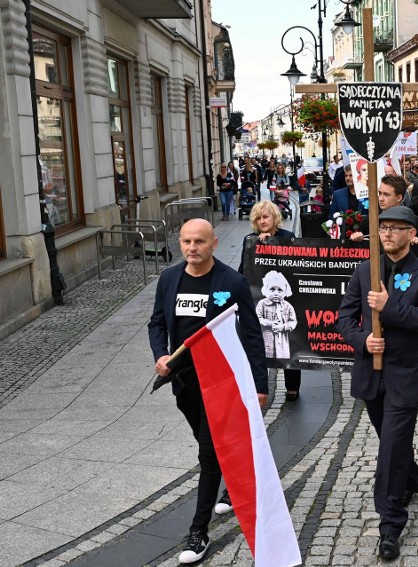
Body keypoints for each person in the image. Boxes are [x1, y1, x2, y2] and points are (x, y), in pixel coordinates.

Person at [148, 219, 268, 564]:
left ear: (214, 243)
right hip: (184, 383)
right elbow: (157, 322)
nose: (192, 248)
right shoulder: (170, 278)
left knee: (209, 453)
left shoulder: (231, 281)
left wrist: (259, 385)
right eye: (186, 241)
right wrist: (161, 355)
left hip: (220, 382)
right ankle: (234, 481)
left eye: (199, 241)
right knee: (215, 447)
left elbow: (251, 334)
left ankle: (198, 532)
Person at [337, 206, 418, 561]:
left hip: (406, 374)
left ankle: (390, 523)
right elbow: (343, 318)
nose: (388, 234)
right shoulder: (366, 270)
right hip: (372, 372)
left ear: (411, 234)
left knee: (390, 446)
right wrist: (363, 340)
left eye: (397, 228)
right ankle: (411, 479)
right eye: (383, 228)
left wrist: (389, 305)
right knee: (391, 440)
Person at [239, 201, 301, 401]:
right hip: (259, 301)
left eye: (266, 216)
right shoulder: (249, 240)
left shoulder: (287, 237)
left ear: (275, 218)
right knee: (260, 346)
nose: (262, 221)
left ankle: (292, 386)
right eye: (258, 218)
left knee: (288, 344)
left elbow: (292, 266)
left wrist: (272, 244)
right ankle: (260, 386)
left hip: (283, 299)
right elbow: (244, 269)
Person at [256, 271, 297, 361]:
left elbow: (293, 321)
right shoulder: (262, 304)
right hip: (266, 340)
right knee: (265, 361)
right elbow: (257, 318)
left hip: (282, 343)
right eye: (272, 289)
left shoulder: (287, 306)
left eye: (280, 290)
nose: (276, 293)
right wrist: (270, 323)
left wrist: (283, 327)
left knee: (286, 363)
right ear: (266, 289)